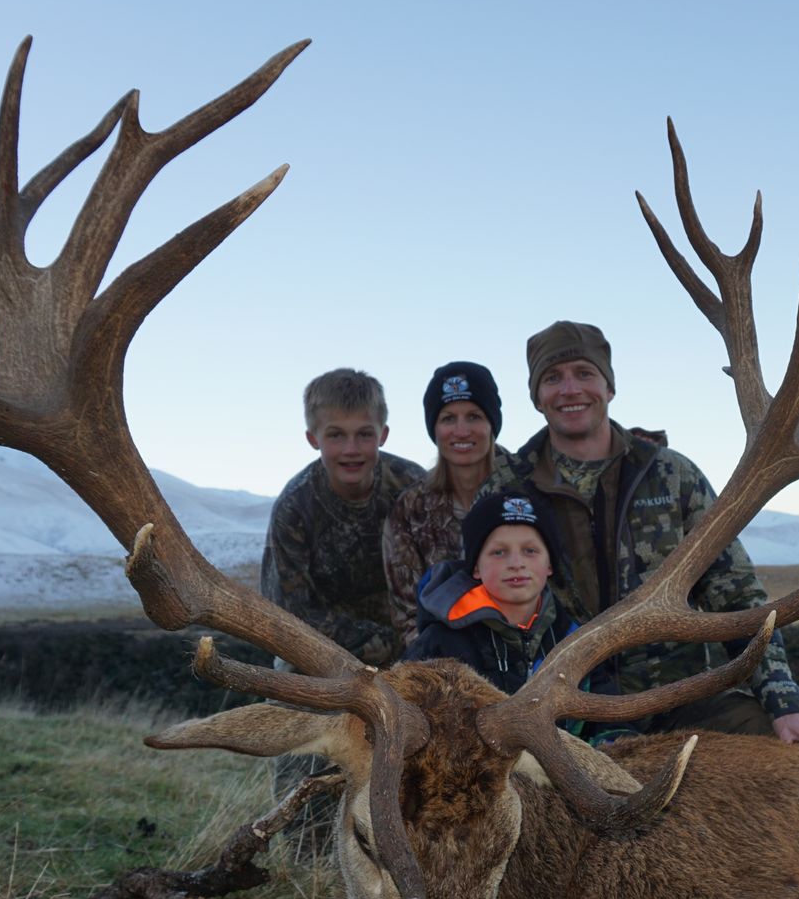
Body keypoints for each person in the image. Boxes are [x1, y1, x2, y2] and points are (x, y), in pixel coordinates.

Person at [487, 320, 799, 745]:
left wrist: (786, 703)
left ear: (609, 386)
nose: (569, 389)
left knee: (778, 747)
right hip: (566, 716)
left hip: (682, 703)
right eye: (552, 378)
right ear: (537, 397)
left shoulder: (672, 475)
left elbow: (735, 597)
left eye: (584, 373)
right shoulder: (507, 488)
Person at [260, 368, 426, 854]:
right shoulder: (295, 506)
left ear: (384, 435)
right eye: (336, 435)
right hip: (314, 653)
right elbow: (287, 614)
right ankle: (304, 857)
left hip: (407, 652)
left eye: (363, 434)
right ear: (314, 437)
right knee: (304, 757)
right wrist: (376, 644)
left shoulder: (411, 486)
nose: (351, 448)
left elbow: (438, 579)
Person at [404, 488, 623, 743]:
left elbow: (611, 721)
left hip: (565, 777)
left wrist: (610, 750)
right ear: (476, 567)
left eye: (530, 551)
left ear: (550, 564)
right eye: (499, 552)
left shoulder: (575, 642)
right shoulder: (439, 643)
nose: (516, 563)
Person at [382, 361, 506, 648]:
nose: (461, 431)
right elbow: (407, 616)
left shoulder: (525, 493)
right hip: (446, 663)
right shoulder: (410, 509)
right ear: (434, 428)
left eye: (474, 416)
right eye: (448, 418)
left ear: (492, 424)